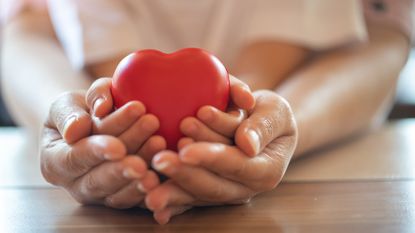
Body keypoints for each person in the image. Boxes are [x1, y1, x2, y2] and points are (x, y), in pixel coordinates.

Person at [1, 0, 412, 224]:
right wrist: (76, 124)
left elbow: (384, 28)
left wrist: (276, 126)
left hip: (333, 160)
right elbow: (26, 26)